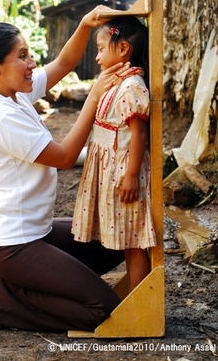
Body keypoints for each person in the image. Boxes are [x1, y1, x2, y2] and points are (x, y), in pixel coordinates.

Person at [0, 6, 131, 332]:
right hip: (9, 242)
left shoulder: (13, 94)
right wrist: (93, 98)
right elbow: (62, 158)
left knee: (117, 241)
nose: (31, 63)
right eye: (23, 56)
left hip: (35, 230)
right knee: (101, 310)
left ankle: (30, 280)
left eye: (30, 54)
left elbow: (64, 63)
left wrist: (88, 22)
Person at [71, 16, 157, 293]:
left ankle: (142, 305)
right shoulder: (118, 81)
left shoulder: (132, 86)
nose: (96, 56)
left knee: (132, 244)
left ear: (122, 49)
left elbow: (139, 134)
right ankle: (135, 299)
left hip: (122, 172)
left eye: (100, 48)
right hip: (111, 170)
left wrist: (132, 175)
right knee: (127, 241)